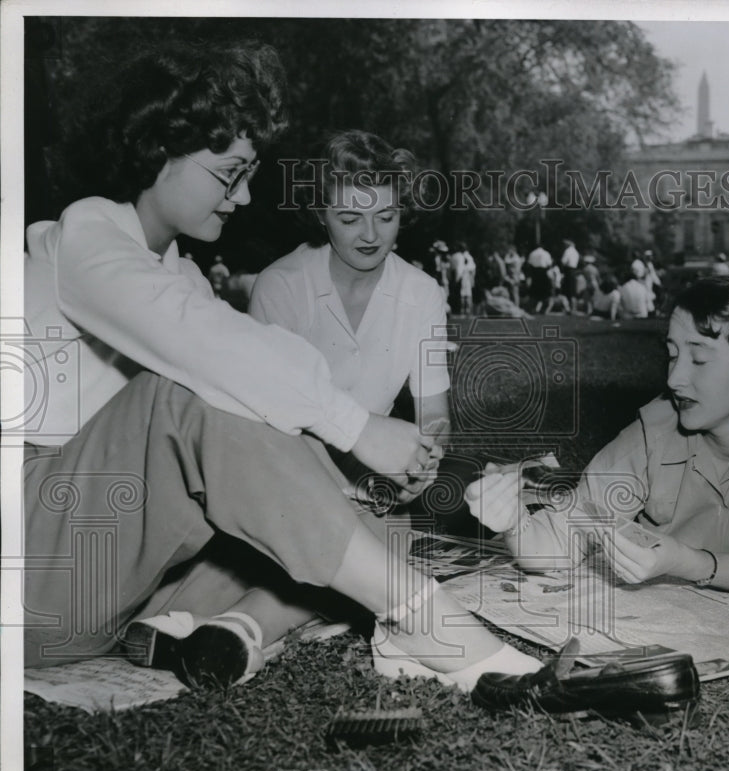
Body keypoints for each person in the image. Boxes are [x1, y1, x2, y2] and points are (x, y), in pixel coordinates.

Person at [21, 41, 541, 690]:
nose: (242, 197)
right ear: (159, 152)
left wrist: (356, 476)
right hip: (33, 565)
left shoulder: (181, 273)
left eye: (248, 176)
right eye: (227, 173)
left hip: (114, 581)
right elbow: (209, 355)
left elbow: (251, 420)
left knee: (365, 515)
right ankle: (432, 624)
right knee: (189, 391)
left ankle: (219, 626)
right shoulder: (84, 233)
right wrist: (359, 427)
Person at [466, 274, 729, 593]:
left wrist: (684, 562)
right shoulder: (657, 426)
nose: (675, 378)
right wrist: (515, 521)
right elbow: (561, 540)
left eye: (700, 358)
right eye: (672, 355)